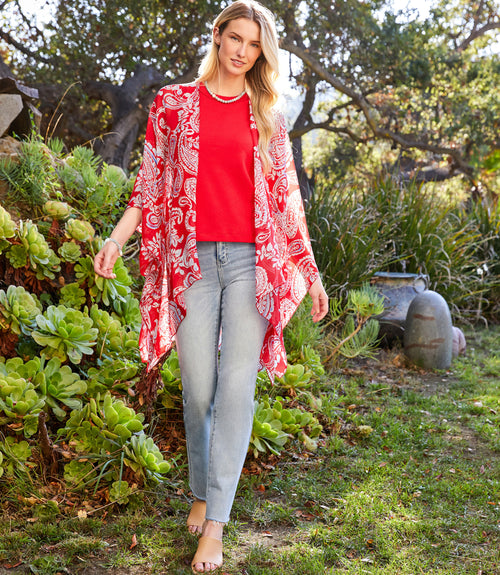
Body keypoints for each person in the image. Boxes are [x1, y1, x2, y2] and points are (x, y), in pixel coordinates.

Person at [94, 0, 328, 571]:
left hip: (252, 265)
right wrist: (116, 240)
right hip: (191, 263)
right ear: (218, 36)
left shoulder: (267, 115)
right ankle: (201, 491)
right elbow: (149, 185)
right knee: (198, 391)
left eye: (254, 44)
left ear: (261, 54)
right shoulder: (174, 104)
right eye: (235, 38)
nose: (242, 51)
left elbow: (288, 202)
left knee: (236, 390)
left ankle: (216, 523)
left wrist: (311, 272)